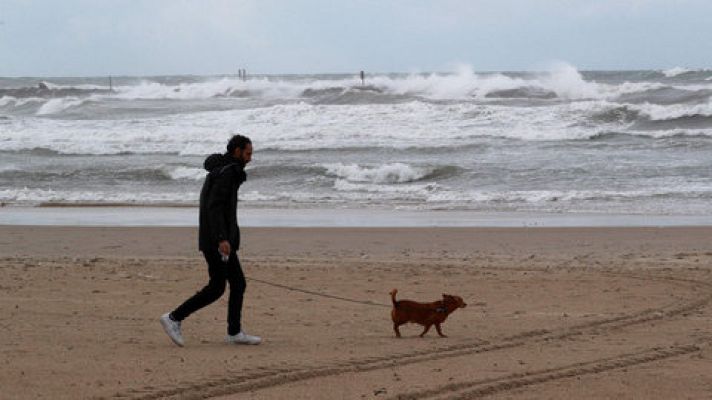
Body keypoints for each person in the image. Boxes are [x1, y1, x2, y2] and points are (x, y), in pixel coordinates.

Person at [160, 134, 261, 346]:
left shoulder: (225, 170)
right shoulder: (226, 173)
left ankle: (234, 332)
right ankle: (173, 318)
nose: (250, 158)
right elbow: (214, 207)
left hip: (219, 238)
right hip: (217, 240)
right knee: (217, 287)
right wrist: (222, 238)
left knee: (238, 283)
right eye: (248, 153)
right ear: (237, 152)